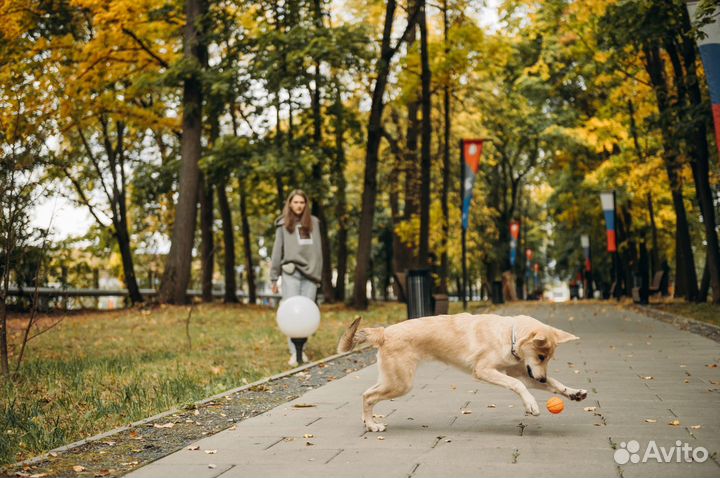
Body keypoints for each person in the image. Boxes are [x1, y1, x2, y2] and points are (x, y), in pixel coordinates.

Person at [270, 189, 323, 366]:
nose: (299, 205)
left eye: (302, 202)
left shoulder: (314, 222)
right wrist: (273, 277)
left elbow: (318, 251)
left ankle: (303, 349)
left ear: (306, 204)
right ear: (290, 204)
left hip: (310, 274)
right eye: (295, 202)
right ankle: (294, 353)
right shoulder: (282, 224)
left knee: (306, 314)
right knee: (292, 312)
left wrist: (317, 274)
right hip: (290, 272)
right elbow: (277, 252)